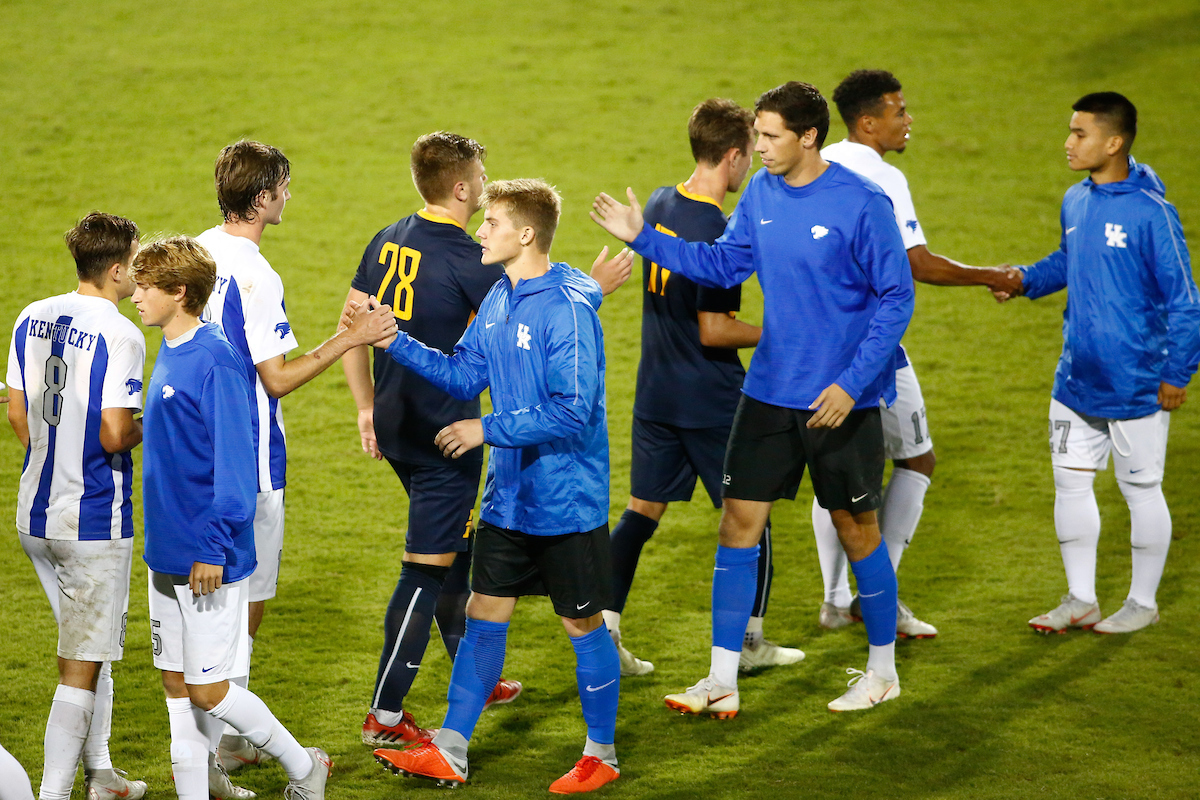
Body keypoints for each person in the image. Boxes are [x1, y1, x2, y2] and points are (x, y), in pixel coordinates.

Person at [592, 80, 914, 714]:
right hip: (768, 391)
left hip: (839, 400)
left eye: (770, 136)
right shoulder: (763, 191)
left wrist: (851, 384)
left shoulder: (861, 202)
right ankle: (722, 678)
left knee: (857, 530)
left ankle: (882, 672)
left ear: (808, 137)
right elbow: (722, 265)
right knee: (737, 524)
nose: (758, 147)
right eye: (757, 135)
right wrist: (643, 237)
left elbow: (896, 299)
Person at [342, 133, 632, 745]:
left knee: (582, 626)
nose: (480, 230)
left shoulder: (562, 307)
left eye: (493, 223)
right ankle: (448, 745)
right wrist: (395, 341)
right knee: (480, 610)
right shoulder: (498, 294)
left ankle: (601, 751)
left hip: (564, 498)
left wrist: (484, 428)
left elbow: (572, 408)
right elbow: (464, 373)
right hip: (506, 494)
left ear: (523, 234)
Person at [196, 140, 395, 768]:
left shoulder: (196, 249)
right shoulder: (258, 276)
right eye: (283, 187)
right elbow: (277, 378)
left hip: (197, 446)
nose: (288, 196)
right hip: (250, 458)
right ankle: (223, 746)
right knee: (243, 605)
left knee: (209, 605)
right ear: (262, 198)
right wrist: (350, 337)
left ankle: (223, 742)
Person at [813, 69, 1022, 637]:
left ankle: (834, 600)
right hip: (870, 346)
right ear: (868, 122)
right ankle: (876, 595)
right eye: (899, 112)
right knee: (917, 460)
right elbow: (916, 263)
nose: (909, 121)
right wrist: (991, 275)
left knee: (833, 471)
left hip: (812, 345)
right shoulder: (882, 177)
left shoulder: (817, 161)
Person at [603, 98, 803, 677]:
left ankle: (604, 636)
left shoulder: (661, 202)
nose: (756, 161)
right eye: (752, 152)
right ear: (733, 156)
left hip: (656, 392)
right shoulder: (718, 228)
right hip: (710, 399)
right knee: (752, 515)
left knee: (641, 513)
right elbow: (714, 330)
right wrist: (781, 333)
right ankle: (750, 641)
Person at [132, 236, 337, 800]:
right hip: (166, 552)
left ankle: (304, 767)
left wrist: (212, 547)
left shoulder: (215, 360)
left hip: (207, 557)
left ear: (179, 292)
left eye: (146, 287)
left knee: (209, 690)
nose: (135, 296)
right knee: (177, 685)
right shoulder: (173, 345)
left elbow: (237, 468)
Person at [993, 93, 1199, 634]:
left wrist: (1176, 374)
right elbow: (1071, 259)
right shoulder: (1076, 200)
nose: (1068, 142)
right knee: (1070, 486)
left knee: (1140, 491)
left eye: (1080, 133)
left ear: (1114, 143)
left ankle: (1142, 603)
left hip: (1135, 383)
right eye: (1070, 130)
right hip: (1076, 378)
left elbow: (1185, 301)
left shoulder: (1152, 214)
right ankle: (1081, 599)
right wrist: (1024, 280)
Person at [6, 212, 148, 800]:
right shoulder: (123, 334)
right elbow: (116, 433)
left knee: (91, 647)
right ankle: (54, 793)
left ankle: (104, 774)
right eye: (136, 261)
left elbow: (18, 414)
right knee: (81, 666)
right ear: (116, 271)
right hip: (91, 522)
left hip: (34, 512)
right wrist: (154, 421)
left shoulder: (30, 315)